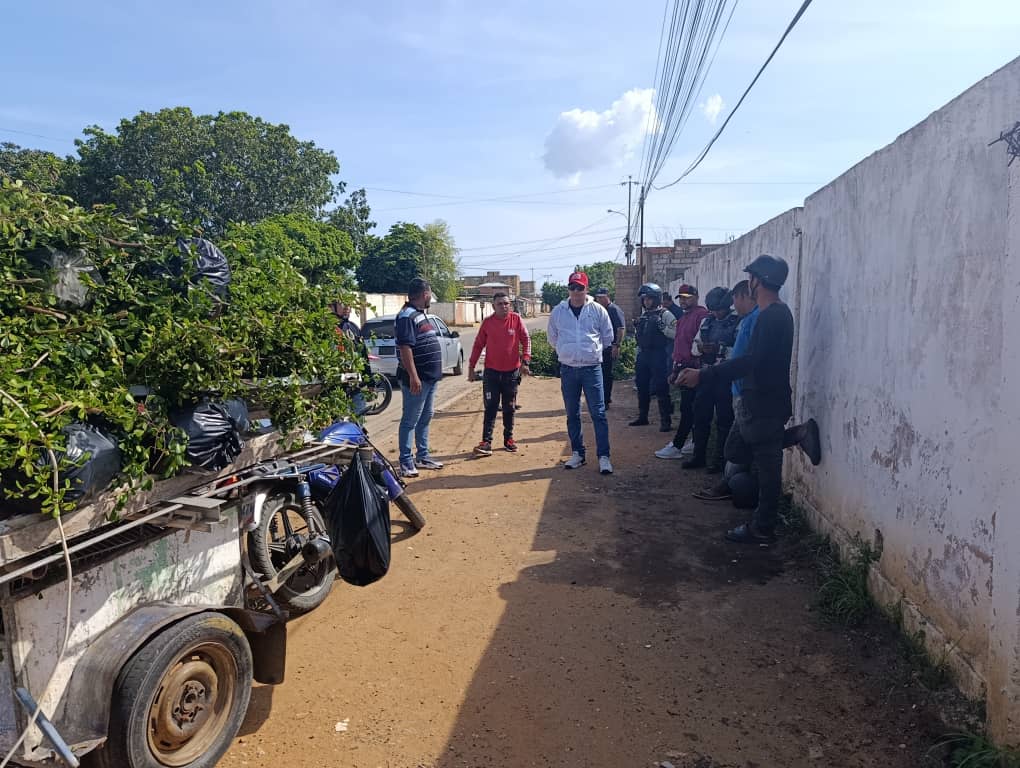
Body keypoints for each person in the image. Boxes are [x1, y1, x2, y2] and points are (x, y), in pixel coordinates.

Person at [679, 256, 795, 544]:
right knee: (737, 450)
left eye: (751, 278)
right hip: (759, 400)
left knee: (768, 469)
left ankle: (762, 527)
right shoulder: (775, 313)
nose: (749, 283)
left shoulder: (771, 317)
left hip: (763, 402)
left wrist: (704, 374)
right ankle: (797, 436)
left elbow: (749, 361)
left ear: (757, 281)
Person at [691, 279, 820, 500]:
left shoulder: (761, 319)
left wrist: (707, 373)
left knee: (748, 447)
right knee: (739, 446)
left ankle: (797, 435)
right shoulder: (750, 319)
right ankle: (731, 485)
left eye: (734, 299)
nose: (733, 305)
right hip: (743, 391)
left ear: (743, 296)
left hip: (751, 395)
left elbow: (750, 360)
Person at [547, 271, 615, 475]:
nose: (576, 292)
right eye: (572, 287)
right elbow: (552, 338)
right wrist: (567, 352)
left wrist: (590, 353)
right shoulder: (558, 312)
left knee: (598, 413)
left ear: (587, 289)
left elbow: (607, 337)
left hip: (591, 369)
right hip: (568, 370)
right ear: (568, 289)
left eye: (580, 288)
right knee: (572, 414)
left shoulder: (597, 310)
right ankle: (578, 453)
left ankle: (604, 457)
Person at [683, 287, 740, 471]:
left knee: (724, 419)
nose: (716, 313)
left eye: (719, 310)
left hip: (725, 377)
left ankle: (719, 460)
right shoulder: (707, 321)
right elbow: (694, 346)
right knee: (700, 416)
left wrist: (720, 350)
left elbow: (740, 353)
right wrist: (701, 348)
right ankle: (698, 455)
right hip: (706, 375)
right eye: (713, 310)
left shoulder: (737, 322)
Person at [468, 292, 532, 456]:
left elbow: (526, 339)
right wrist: (471, 367)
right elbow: (478, 345)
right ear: (493, 306)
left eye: (506, 303)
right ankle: (486, 442)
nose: (504, 306)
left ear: (510, 305)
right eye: (500, 304)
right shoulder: (488, 323)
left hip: (511, 373)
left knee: (509, 407)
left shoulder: (516, 319)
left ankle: (508, 439)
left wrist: (525, 361)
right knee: (490, 407)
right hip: (492, 374)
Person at [395, 278, 444, 477]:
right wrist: (413, 376)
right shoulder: (406, 316)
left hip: (429, 378)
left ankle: (422, 456)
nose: (430, 298)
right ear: (425, 294)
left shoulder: (418, 314)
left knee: (425, 417)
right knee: (410, 420)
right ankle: (406, 462)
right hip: (417, 380)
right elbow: (405, 348)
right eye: (430, 294)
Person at [658, 285, 709, 456]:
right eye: (681, 297)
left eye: (687, 297)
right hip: (683, 367)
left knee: (689, 409)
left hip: (695, 369)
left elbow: (699, 346)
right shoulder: (683, 317)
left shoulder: (702, 315)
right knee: (689, 408)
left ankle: (677, 445)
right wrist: (675, 370)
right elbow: (679, 346)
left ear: (696, 297)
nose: (683, 301)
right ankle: (693, 442)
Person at [629, 283, 674, 432]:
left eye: (649, 298)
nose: (646, 301)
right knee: (642, 385)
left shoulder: (665, 314)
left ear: (656, 298)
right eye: (644, 299)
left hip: (658, 354)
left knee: (661, 387)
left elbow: (675, 332)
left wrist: (662, 327)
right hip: (643, 355)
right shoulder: (644, 315)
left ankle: (665, 420)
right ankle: (643, 416)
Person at [593, 287, 626, 409]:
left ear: (607, 297)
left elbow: (620, 329)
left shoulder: (614, 310)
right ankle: (602, 399)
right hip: (600, 348)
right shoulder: (600, 310)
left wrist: (616, 345)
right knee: (600, 374)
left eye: (601, 297)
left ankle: (606, 401)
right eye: (598, 297)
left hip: (610, 347)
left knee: (606, 375)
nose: (599, 300)